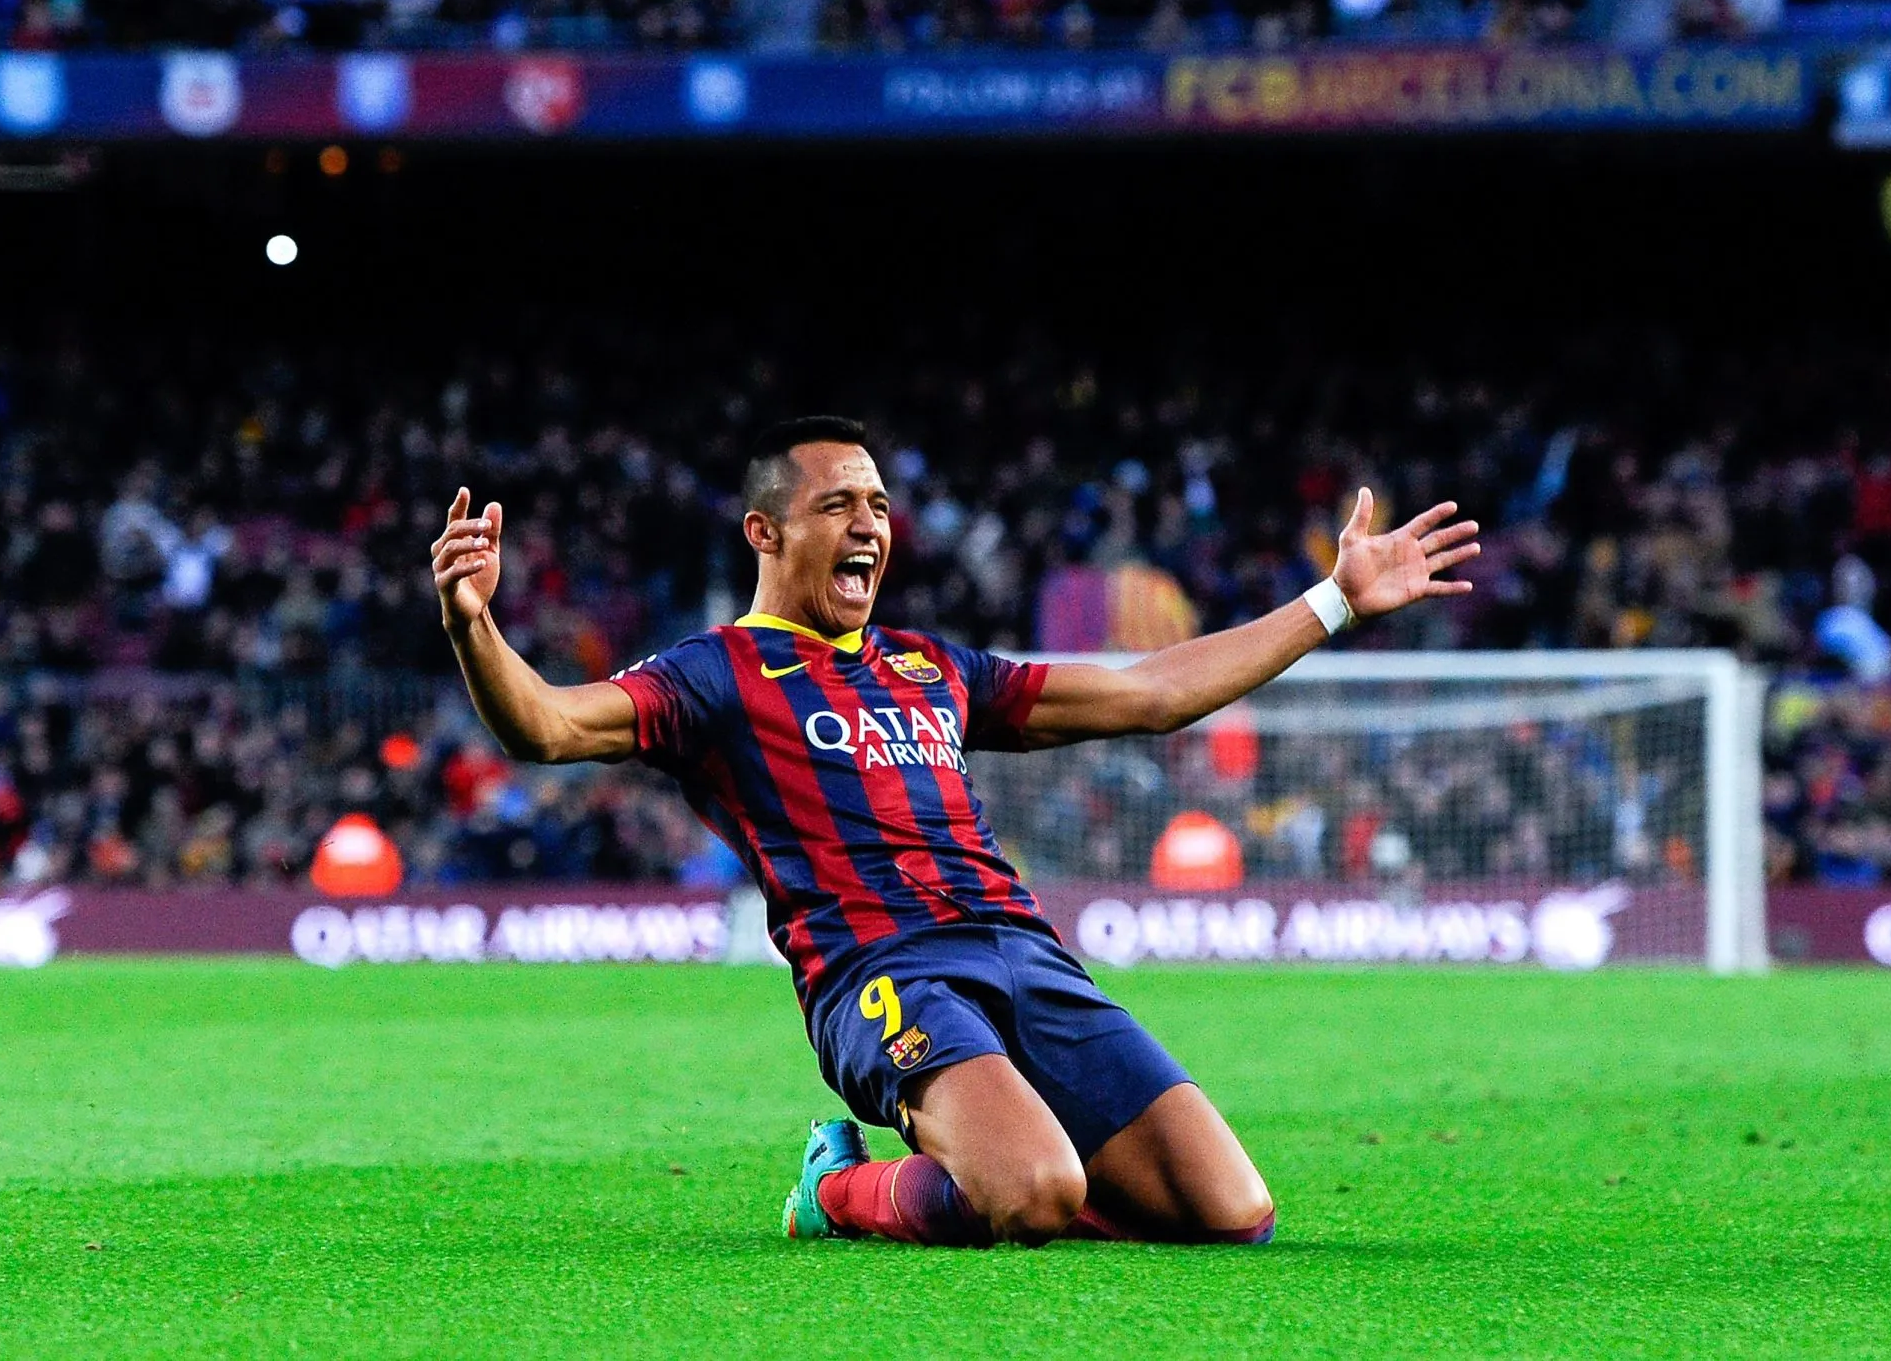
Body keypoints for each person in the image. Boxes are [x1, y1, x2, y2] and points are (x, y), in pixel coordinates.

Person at [428, 416, 1479, 1248]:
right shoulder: (709, 676)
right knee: (1032, 1194)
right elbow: (550, 724)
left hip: (1021, 950)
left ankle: (1008, 1160)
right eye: (836, 504)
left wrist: (1333, 601)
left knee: (1231, 1211)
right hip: (881, 972)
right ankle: (838, 1185)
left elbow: (1151, 691)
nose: (868, 525)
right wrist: (475, 623)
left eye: (879, 505)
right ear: (765, 531)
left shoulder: (932, 667)